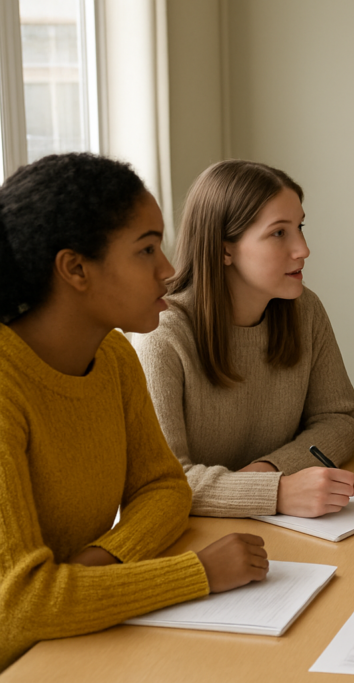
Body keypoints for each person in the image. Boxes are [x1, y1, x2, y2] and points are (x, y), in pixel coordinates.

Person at [0, 153, 269, 670]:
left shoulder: (113, 355)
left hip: (74, 640)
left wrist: (99, 564)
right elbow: (19, 605)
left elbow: (165, 489)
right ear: (75, 268)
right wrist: (196, 574)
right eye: (146, 249)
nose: (168, 270)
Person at [135, 160, 354, 518]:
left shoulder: (305, 310)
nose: (303, 248)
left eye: (299, 227)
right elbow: (166, 481)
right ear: (225, 249)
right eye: (279, 233)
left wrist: (268, 473)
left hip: (282, 526)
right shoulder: (163, 336)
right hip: (200, 538)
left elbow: (341, 419)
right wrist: (277, 492)